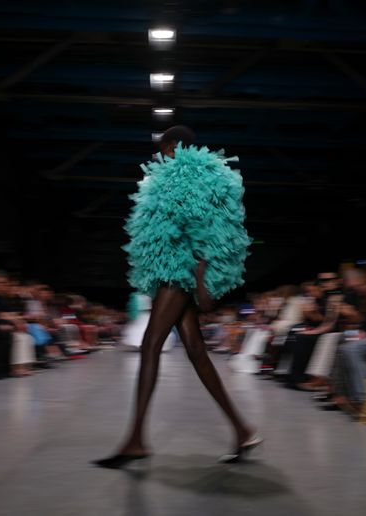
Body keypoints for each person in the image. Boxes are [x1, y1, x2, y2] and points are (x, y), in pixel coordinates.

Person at [93, 125, 260, 469]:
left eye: (161, 149)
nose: (158, 156)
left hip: (181, 273)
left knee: (151, 344)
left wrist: (201, 279)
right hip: (179, 271)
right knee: (196, 352)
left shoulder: (185, 172)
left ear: (171, 147)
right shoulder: (196, 173)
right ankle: (242, 431)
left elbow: (201, 224)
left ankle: (136, 440)